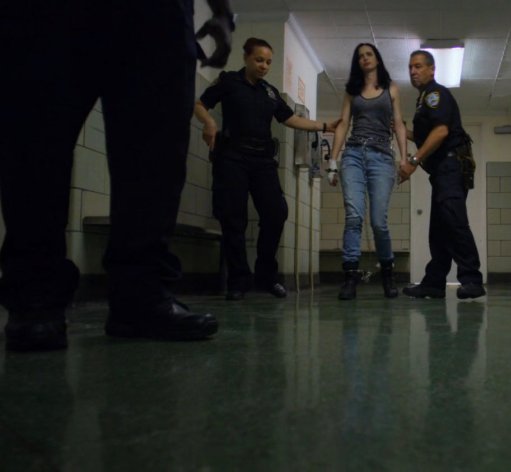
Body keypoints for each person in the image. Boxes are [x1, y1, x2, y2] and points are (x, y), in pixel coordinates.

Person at [0, 1, 229, 351]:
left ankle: (138, 294)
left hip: (155, 14)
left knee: (155, 156)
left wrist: (224, 9)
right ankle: (36, 297)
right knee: (35, 141)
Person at [194, 37, 338, 301]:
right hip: (232, 158)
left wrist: (325, 127)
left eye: (268, 62)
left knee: (276, 213)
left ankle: (265, 276)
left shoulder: (270, 92)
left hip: (262, 161)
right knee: (233, 218)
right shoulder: (228, 82)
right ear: (247, 58)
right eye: (259, 60)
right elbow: (200, 104)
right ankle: (238, 280)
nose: (264, 66)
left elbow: (290, 118)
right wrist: (208, 123)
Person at [398, 50, 486, 300]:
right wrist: (404, 132)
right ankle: (434, 283)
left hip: (450, 167)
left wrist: (414, 161)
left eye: (418, 66)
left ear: (432, 69)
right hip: (442, 171)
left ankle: (472, 279)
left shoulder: (436, 94)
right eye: (410, 67)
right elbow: (427, 135)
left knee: (454, 221)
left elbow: (440, 132)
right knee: (439, 228)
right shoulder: (423, 99)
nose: (413, 71)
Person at [328, 43, 408, 300]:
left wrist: (405, 160)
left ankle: (387, 273)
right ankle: (350, 277)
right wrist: (332, 160)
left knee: (377, 222)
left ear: (377, 58)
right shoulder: (352, 90)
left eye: (369, 54)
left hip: (382, 157)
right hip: (353, 154)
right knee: (353, 216)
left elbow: (398, 125)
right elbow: (342, 125)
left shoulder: (391, 88)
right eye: (360, 56)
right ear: (357, 62)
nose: (364, 59)